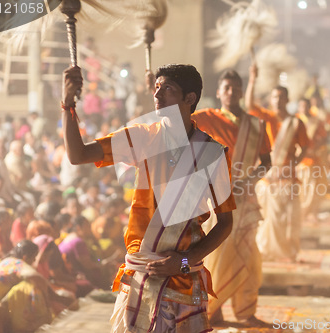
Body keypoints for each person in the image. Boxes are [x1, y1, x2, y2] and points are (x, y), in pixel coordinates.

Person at [62, 64, 235, 332]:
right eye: (156, 87)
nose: (157, 95)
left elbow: (225, 222)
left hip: (183, 276)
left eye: (167, 89)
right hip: (140, 270)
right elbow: (78, 155)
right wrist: (67, 105)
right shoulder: (142, 137)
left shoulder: (212, 153)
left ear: (190, 98)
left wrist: (185, 261)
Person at [192, 70, 271, 326]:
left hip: (245, 199)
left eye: (236, 87)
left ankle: (245, 311)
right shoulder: (206, 118)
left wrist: (247, 181)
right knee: (216, 255)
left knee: (249, 255)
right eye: (226, 87)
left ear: (241, 90)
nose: (231, 92)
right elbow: (177, 120)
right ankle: (213, 310)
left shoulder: (257, 125)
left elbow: (266, 163)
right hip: (215, 197)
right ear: (219, 92)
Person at [245, 64, 309, 262]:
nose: (278, 101)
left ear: (288, 100)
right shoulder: (266, 117)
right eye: (274, 97)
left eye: (281, 97)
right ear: (270, 100)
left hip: (287, 178)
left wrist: (294, 162)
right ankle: (267, 252)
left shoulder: (296, 122)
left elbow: (305, 147)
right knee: (268, 219)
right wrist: (252, 79)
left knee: (288, 219)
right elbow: (249, 105)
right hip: (267, 178)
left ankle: (287, 252)